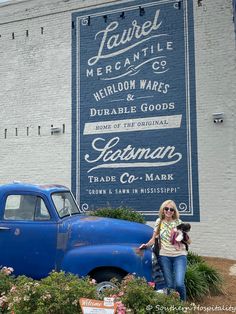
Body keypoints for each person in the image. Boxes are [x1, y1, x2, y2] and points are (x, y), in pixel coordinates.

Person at [139, 200, 190, 301]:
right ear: (163, 210)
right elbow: (153, 239)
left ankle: (183, 306)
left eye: (171, 209)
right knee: (170, 285)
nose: (169, 211)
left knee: (179, 284)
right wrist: (146, 245)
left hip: (179, 255)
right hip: (164, 256)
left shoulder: (178, 222)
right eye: (166, 209)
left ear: (174, 212)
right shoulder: (159, 222)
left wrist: (183, 235)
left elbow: (189, 242)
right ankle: (173, 306)